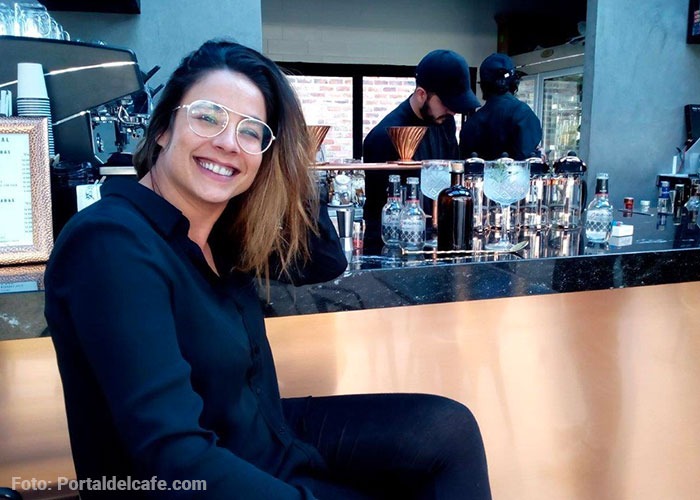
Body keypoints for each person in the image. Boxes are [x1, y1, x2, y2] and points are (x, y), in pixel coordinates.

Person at [44, 39, 492, 499]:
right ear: (162, 128)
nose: (227, 142)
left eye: (251, 131)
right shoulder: (111, 243)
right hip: (203, 474)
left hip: (266, 437)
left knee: (448, 430)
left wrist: (292, 162)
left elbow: (325, 259)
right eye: (208, 117)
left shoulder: (222, 232)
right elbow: (171, 457)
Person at [362, 49, 481, 247]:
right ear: (421, 94)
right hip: (398, 247)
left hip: (441, 239)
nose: (452, 111)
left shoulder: (445, 122)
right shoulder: (384, 136)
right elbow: (377, 214)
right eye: (446, 103)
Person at [459, 53, 542, 161]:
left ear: (483, 85)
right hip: (515, 172)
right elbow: (528, 161)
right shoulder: (523, 114)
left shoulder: (471, 123)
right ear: (514, 82)